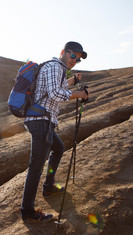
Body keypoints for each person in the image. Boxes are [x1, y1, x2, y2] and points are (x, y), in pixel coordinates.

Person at [20, 41, 89, 222]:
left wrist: (72, 81)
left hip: (44, 121)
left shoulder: (56, 68)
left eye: (78, 59)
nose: (74, 60)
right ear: (63, 52)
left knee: (58, 148)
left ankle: (48, 186)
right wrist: (79, 95)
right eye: (73, 55)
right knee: (36, 166)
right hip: (40, 121)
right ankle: (27, 212)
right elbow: (55, 94)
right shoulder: (55, 67)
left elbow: (54, 88)